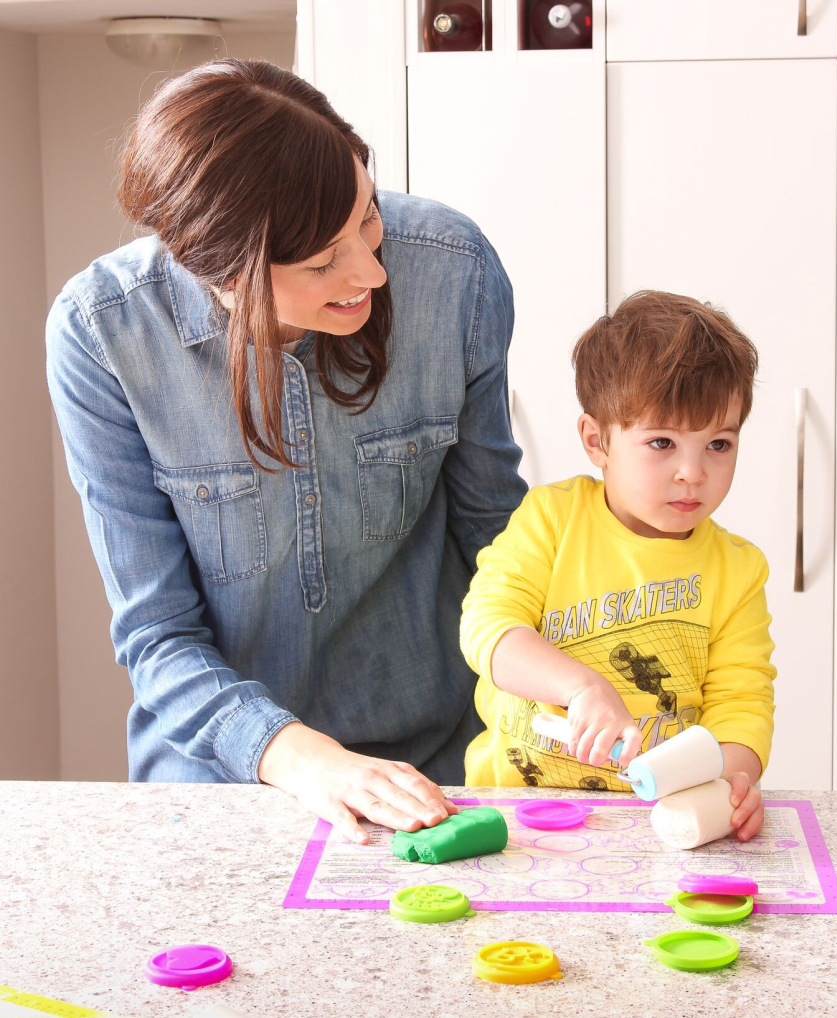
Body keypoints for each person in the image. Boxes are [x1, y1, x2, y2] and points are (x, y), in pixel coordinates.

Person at [46, 59, 526, 845]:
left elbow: (502, 547)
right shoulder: (103, 334)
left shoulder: (454, 269)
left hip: (439, 772)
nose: (371, 270)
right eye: (320, 263)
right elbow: (157, 635)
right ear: (211, 266)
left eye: (367, 218)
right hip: (217, 791)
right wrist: (312, 763)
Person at [460, 290, 775, 842]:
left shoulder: (738, 570)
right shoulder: (551, 520)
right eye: (662, 442)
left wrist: (733, 779)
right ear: (596, 440)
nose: (692, 472)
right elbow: (488, 630)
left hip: (655, 822)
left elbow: (741, 703)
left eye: (719, 444)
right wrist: (580, 687)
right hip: (517, 816)